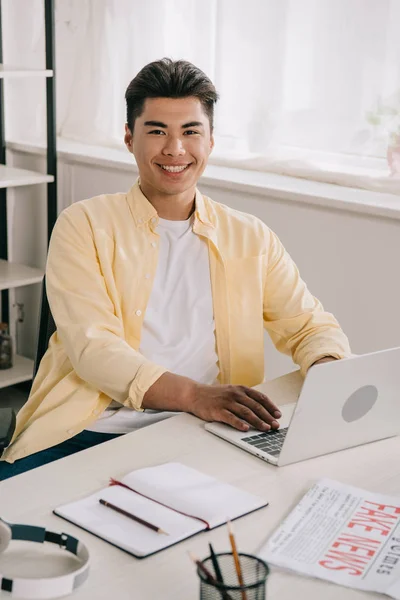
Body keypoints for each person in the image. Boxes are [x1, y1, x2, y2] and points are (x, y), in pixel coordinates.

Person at [0, 58, 351, 479]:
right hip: (88, 431)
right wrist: (194, 395)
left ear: (211, 141)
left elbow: (308, 325)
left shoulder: (250, 236)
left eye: (190, 132)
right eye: (157, 132)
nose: (175, 149)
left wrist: (332, 372)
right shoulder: (84, 225)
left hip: (206, 433)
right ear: (129, 138)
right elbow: (95, 350)